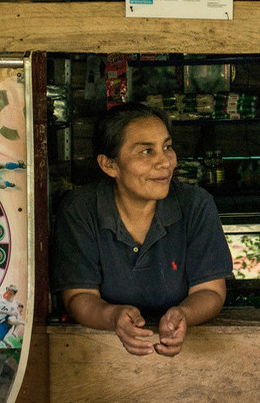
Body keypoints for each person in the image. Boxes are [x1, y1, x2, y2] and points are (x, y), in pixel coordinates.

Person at [52, 103, 233, 357]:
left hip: (190, 359)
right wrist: (113, 316)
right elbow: (79, 296)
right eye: (147, 151)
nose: (165, 162)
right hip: (100, 360)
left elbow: (210, 291)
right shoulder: (81, 209)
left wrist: (184, 315)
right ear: (109, 165)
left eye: (167, 147)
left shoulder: (195, 204)